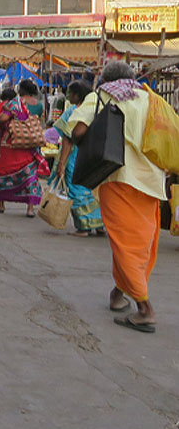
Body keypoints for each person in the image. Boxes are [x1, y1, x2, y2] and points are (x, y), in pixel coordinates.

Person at [68, 62, 167, 333]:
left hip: (118, 176)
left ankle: (145, 310)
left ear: (106, 80)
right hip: (151, 180)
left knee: (124, 243)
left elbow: (77, 130)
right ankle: (118, 294)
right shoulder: (150, 98)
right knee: (140, 242)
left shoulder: (103, 95)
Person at [51, 80, 104, 237]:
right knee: (93, 191)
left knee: (75, 189)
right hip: (94, 156)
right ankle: (99, 224)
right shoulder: (97, 109)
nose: (68, 96)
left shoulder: (73, 112)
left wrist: (62, 163)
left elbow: (68, 139)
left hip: (75, 157)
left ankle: (83, 227)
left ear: (77, 95)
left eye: (70, 93)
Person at [0, 87, 44, 217]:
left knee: (5, 171)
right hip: (29, 143)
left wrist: (2, 118)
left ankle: (1, 204)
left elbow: (3, 119)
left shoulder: (15, 103)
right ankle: (30, 209)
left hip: (12, 143)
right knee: (30, 174)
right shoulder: (38, 105)